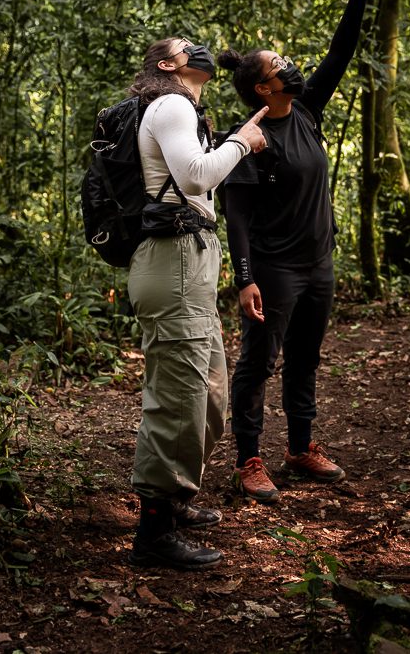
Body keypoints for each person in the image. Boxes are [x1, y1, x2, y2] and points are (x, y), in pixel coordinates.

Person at [218, 0, 379, 503]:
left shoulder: (306, 110)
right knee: (259, 361)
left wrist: (355, 1)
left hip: (318, 262)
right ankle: (248, 459)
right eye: (278, 65)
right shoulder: (246, 140)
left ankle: (301, 447)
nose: (290, 66)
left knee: (306, 358)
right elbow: (234, 216)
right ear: (263, 88)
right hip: (274, 266)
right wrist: (244, 279)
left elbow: (339, 54)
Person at [127, 36, 267, 568]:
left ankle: (177, 498)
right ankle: (153, 533)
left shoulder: (179, 109)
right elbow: (195, 176)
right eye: (189, 48)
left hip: (190, 257)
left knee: (209, 394)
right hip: (173, 259)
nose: (203, 51)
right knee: (180, 397)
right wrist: (242, 142)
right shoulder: (171, 104)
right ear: (167, 66)